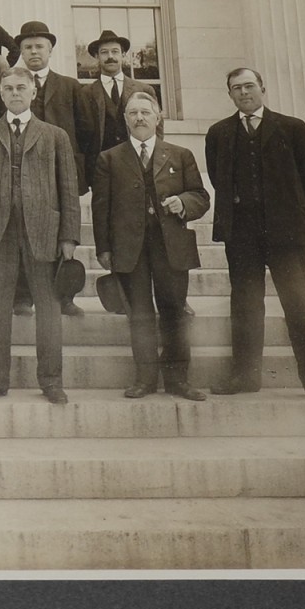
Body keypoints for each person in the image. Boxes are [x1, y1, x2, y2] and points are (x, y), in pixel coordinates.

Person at [204, 68, 305, 406]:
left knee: (298, 304)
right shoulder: (219, 133)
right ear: (230, 95)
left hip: (287, 233)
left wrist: (291, 209)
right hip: (241, 234)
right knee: (245, 305)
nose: (243, 93)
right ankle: (245, 376)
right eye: (236, 88)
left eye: (249, 86)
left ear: (263, 89)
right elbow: (217, 178)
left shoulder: (292, 127)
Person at [0, 68, 79, 405]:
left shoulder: (55, 135)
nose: (15, 94)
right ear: (1, 94)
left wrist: (69, 236)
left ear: (33, 92)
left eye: (21, 88)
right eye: (9, 89)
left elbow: (68, 190)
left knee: (48, 308)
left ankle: (52, 381)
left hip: (43, 230)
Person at [92, 91, 210, 401]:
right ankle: (144, 378)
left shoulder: (180, 154)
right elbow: (100, 206)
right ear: (126, 120)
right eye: (133, 113)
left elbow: (201, 197)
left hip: (170, 246)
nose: (140, 118)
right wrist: (103, 249)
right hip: (131, 248)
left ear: (158, 118)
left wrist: (182, 202)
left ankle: (178, 380)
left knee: (173, 311)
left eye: (146, 112)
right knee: (140, 314)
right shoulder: (110, 158)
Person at [13, 20, 95, 315]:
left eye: (39, 47)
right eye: (27, 47)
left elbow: (86, 132)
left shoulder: (70, 86)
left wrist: (81, 175)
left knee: (63, 231)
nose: (33, 52)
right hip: (21, 170)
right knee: (22, 228)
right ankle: (22, 296)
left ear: (50, 50)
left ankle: (64, 297)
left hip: (61, 171)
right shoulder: (12, 84)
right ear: (21, 51)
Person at [85, 29, 156, 166]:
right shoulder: (85, 93)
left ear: (123, 54)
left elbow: (156, 130)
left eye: (115, 51)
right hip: (101, 166)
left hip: (137, 164)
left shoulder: (144, 90)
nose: (110, 56)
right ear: (96, 56)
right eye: (104, 52)